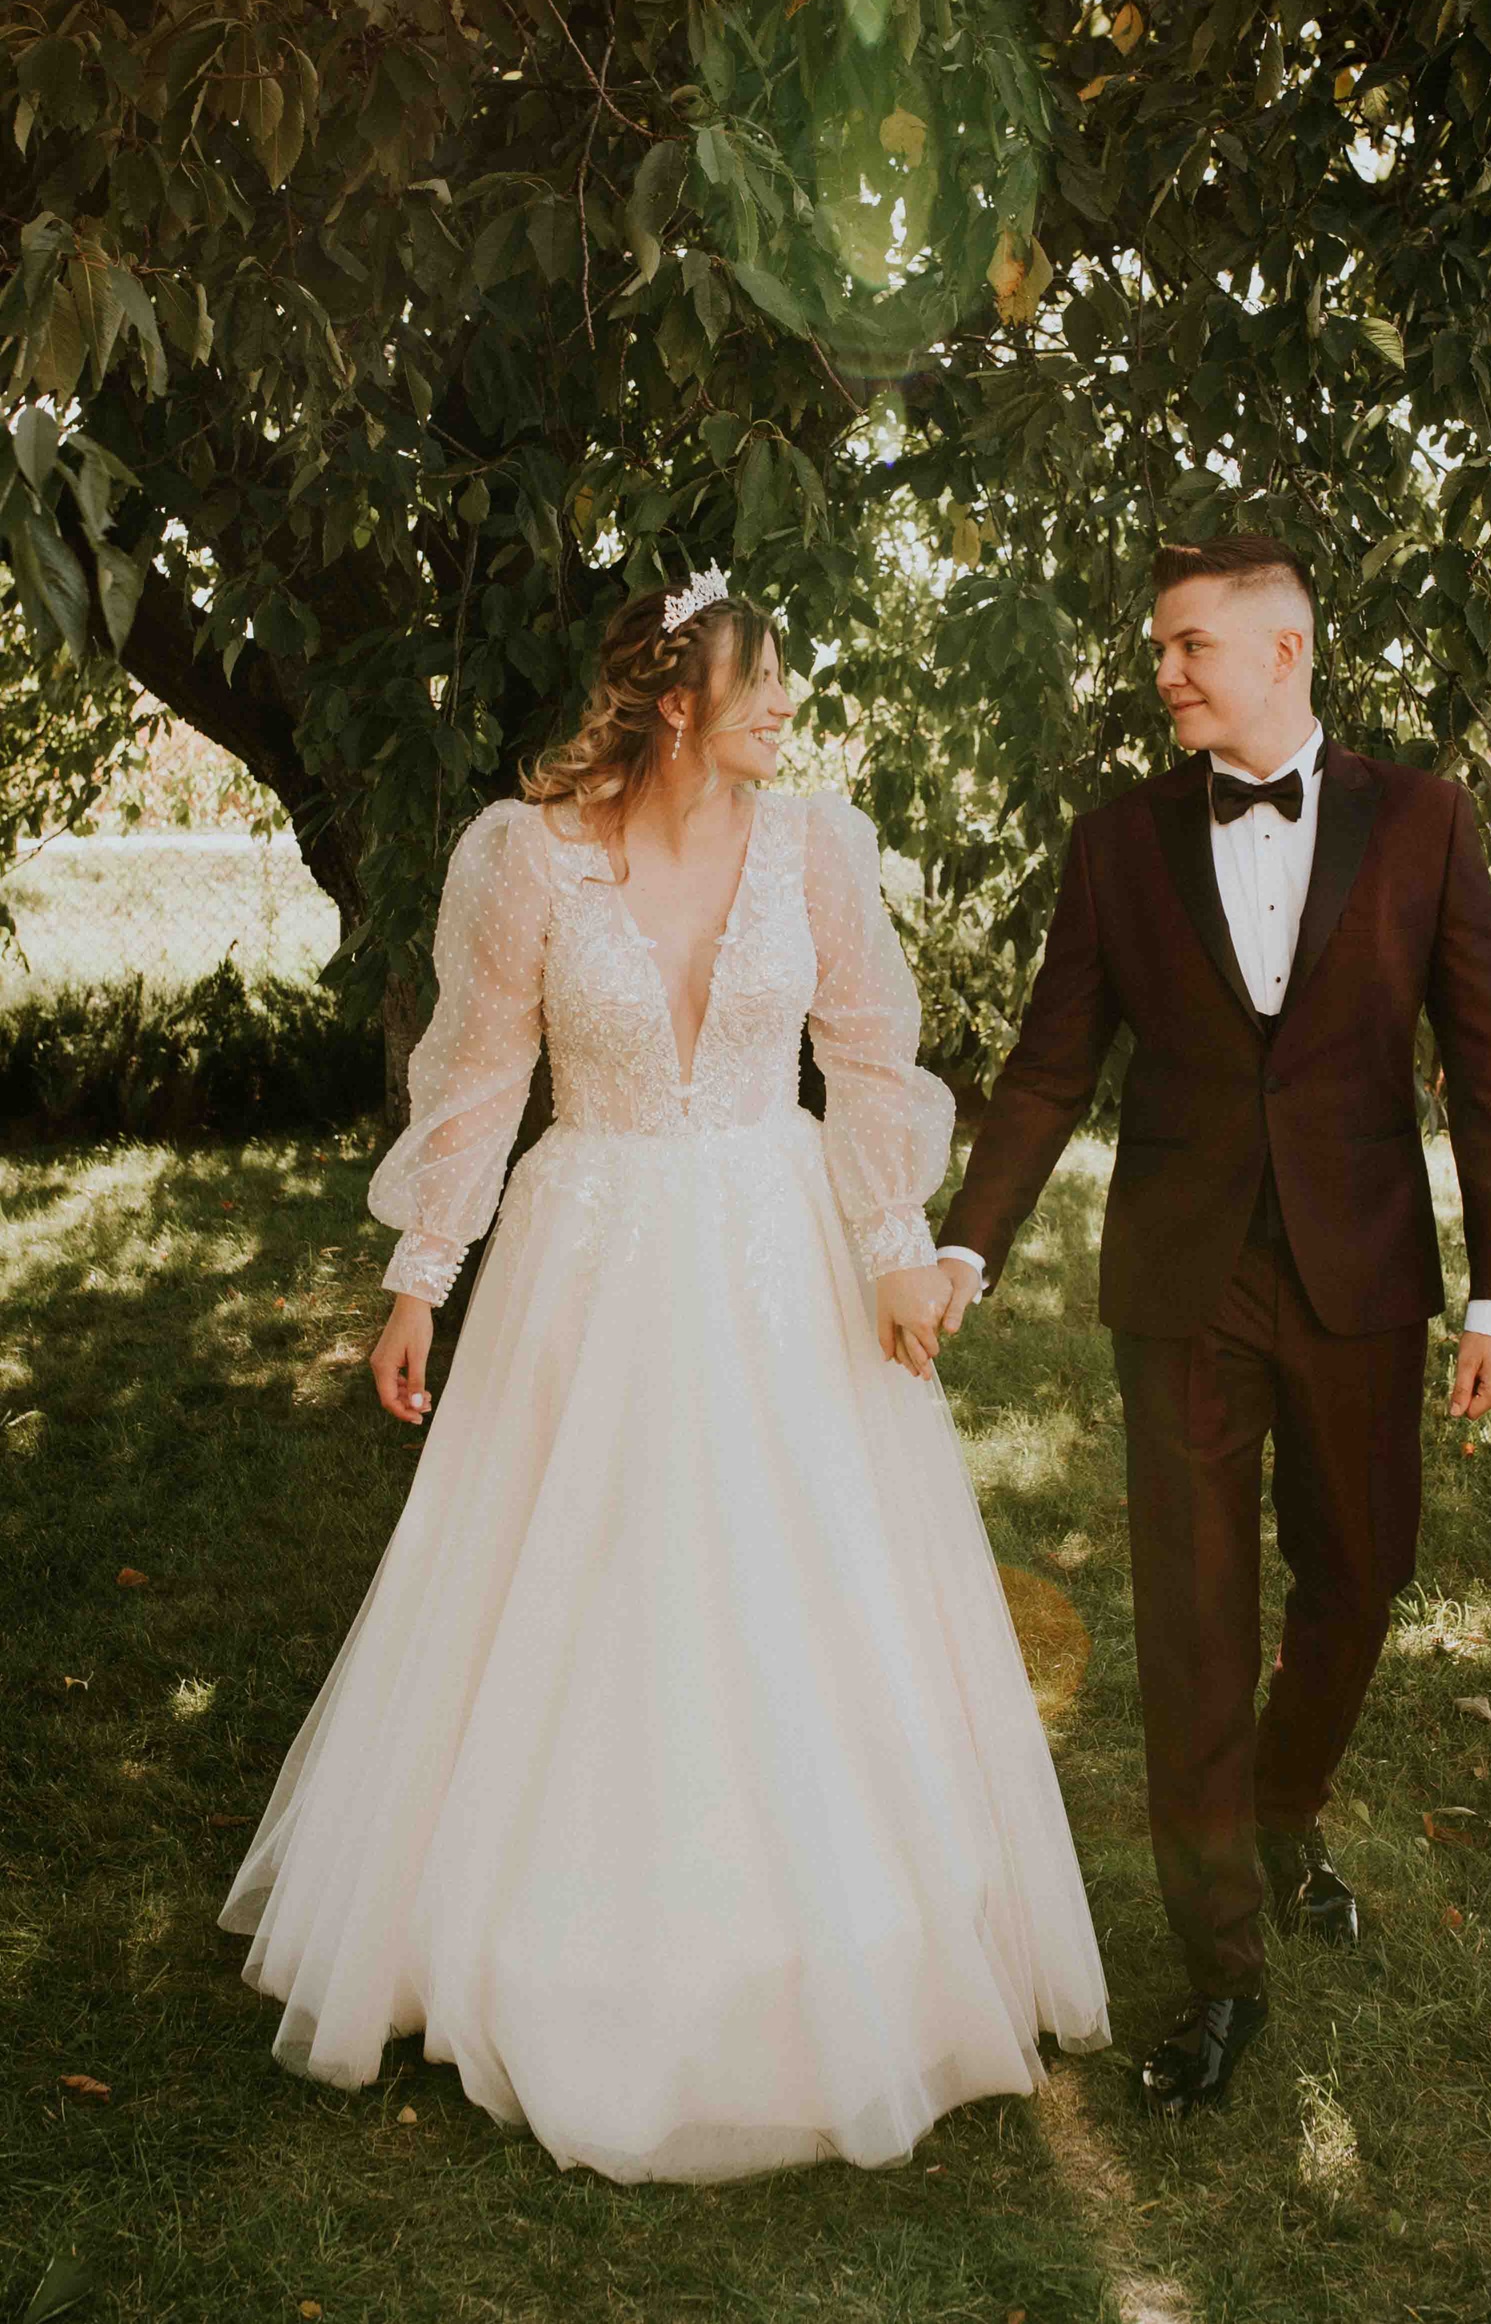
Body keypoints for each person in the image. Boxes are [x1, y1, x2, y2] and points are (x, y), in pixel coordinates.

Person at [217, 569, 1109, 2184]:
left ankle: (835, 1929)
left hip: (778, 1247)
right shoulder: (522, 857)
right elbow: (478, 1074)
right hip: (594, 1256)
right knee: (590, 1572)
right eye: (760, 680)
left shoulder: (818, 847)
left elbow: (866, 1055)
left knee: (798, 1573)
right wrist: (421, 1278)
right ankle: (545, 1925)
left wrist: (894, 1244)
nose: (787, 704)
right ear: (676, 701)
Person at [932, 535, 1491, 2115]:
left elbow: (1486, 1072)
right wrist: (965, 1248)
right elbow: (1049, 1067)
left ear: (1284, 651)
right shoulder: (1115, 844)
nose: (1163, 672)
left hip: (1359, 1279)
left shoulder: (1424, 821)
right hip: (1182, 1287)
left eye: (1188, 645)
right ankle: (1219, 1973)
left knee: (1358, 1576)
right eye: (1158, 648)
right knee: (1194, 1625)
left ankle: (1281, 1805)